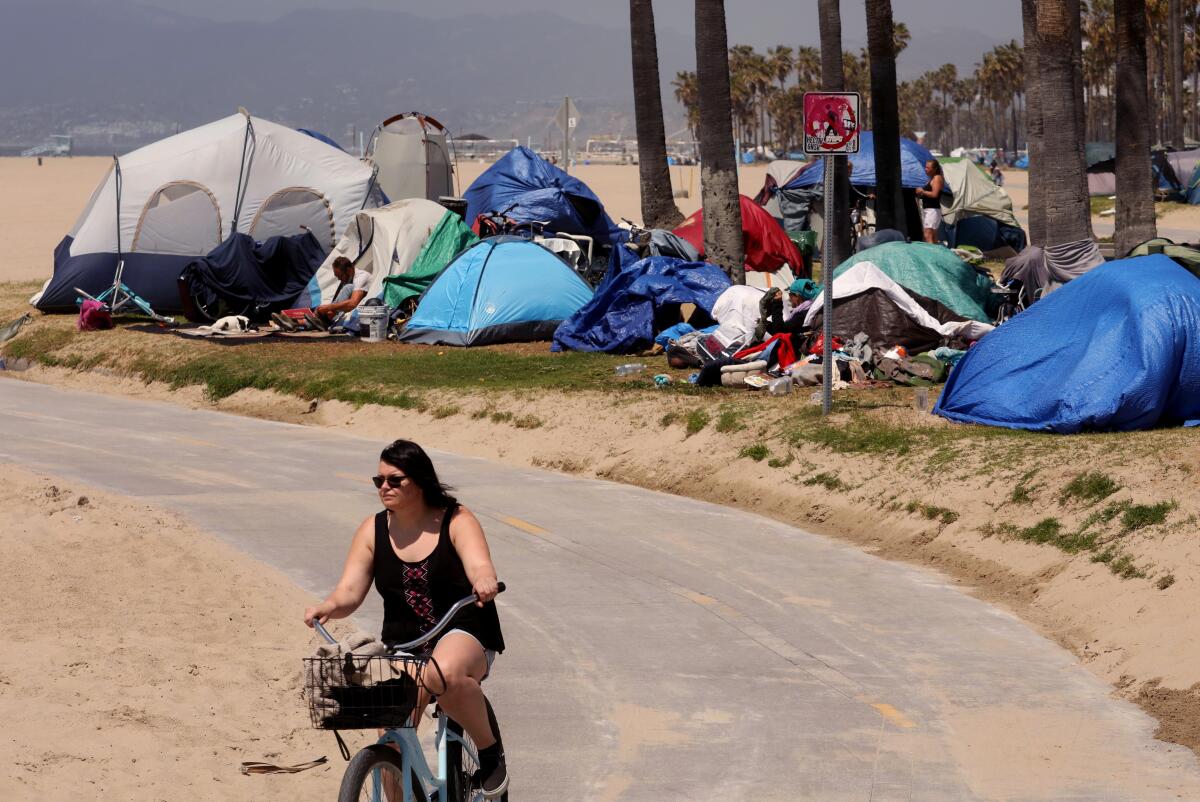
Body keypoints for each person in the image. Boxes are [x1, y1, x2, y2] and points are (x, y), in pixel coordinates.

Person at [304, 439, 509, 797]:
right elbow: (349, 592)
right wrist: (328, 607)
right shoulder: (373, 529)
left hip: (462, 628)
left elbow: (479, 564)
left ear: (420, 481)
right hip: (405, 643)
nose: (384, 487)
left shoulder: (456, 519)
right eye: (378, 480)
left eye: (394, 480)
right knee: (392, 733)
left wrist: (484, 581)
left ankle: (490, 753)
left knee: (441, 674)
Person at [315, 256, 370, 322]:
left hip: (367, 308)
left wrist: (330, 307)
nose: (339, 279)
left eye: (340, 276)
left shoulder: (361, 277)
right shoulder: (352, 277)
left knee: (348, 287)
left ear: (348, 270)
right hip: (354, 308)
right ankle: (320, 318)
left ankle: (325, 317)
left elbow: (353, 303)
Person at [914, 160, 945, 244]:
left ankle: (931, 255)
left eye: (928, 167)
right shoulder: (931, 179)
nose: (925, 169)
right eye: (925, 167)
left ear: (934, 169)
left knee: (927, 234)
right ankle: (936, 254)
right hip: (929, 210)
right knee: (933, 236)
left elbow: (935, 194)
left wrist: (922, 191)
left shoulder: (937, 178)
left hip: (933, 210)